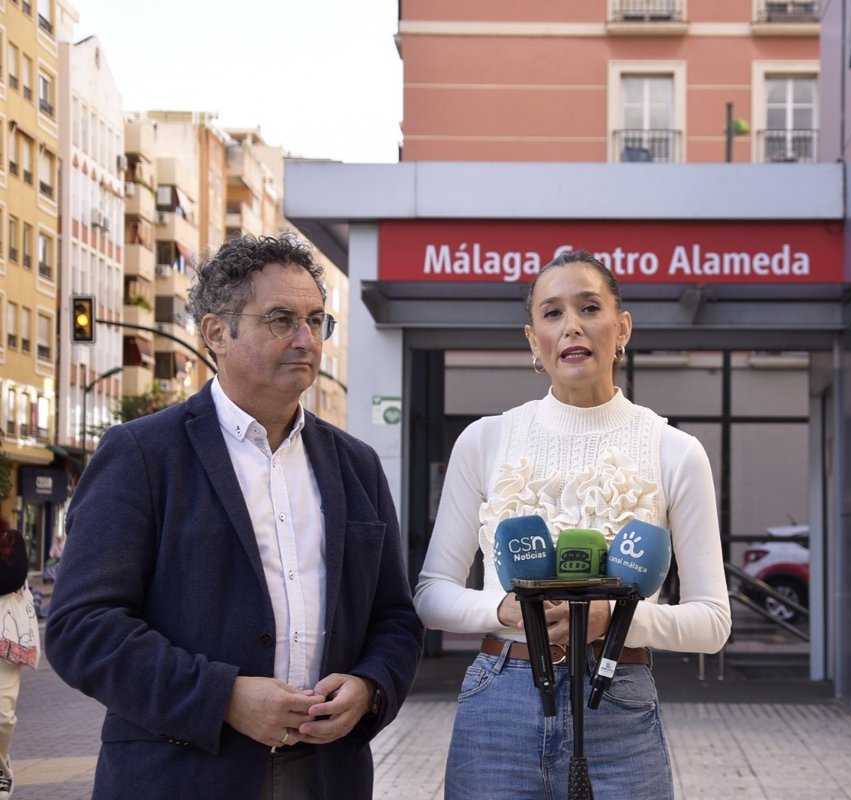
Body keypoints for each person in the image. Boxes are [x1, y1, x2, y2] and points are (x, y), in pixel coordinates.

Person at [46, 235, 425, 799]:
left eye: (316, 321)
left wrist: (371, 687)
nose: (306, 339)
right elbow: (81, 627)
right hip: (182, 774)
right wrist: (221, 698)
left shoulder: (356, 465)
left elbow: (395, 616)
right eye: (281, 319)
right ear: (217, 333)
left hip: (327, 776)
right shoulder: (142, 454)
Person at [415, 250, 732, 799]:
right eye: (552, 313)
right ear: (532, 339)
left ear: (622, 327)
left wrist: (612, 618)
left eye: (589, 307)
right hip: (499, 703)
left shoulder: (675, 451)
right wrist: (503, 610)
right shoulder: (484, 440)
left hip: (619, 701)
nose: (572, 326)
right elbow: (430, 596)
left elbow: (712, 621)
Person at [0, 514, 29, 800]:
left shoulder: (12, 540)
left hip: (4, 638)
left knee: (2, 716)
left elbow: (12, 578)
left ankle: (1, 759)